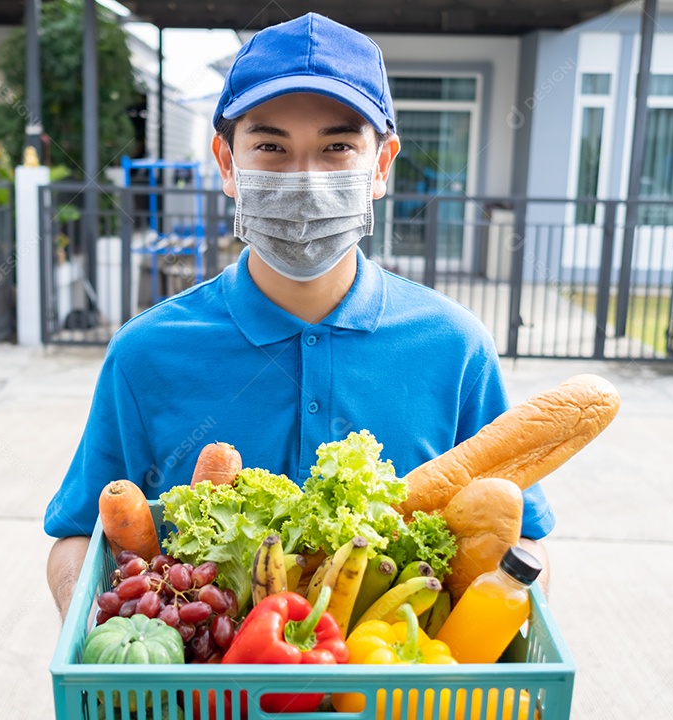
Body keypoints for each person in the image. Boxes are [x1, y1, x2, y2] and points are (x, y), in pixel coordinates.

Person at [45, 12, 553, 617]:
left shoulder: (455, 347)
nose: (306, 180)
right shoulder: (146, 353)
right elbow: (78, 534)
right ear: (228, 163)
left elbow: (523, 539)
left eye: (338, 147)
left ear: (383, 164)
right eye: (270, 147)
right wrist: (101, 641)